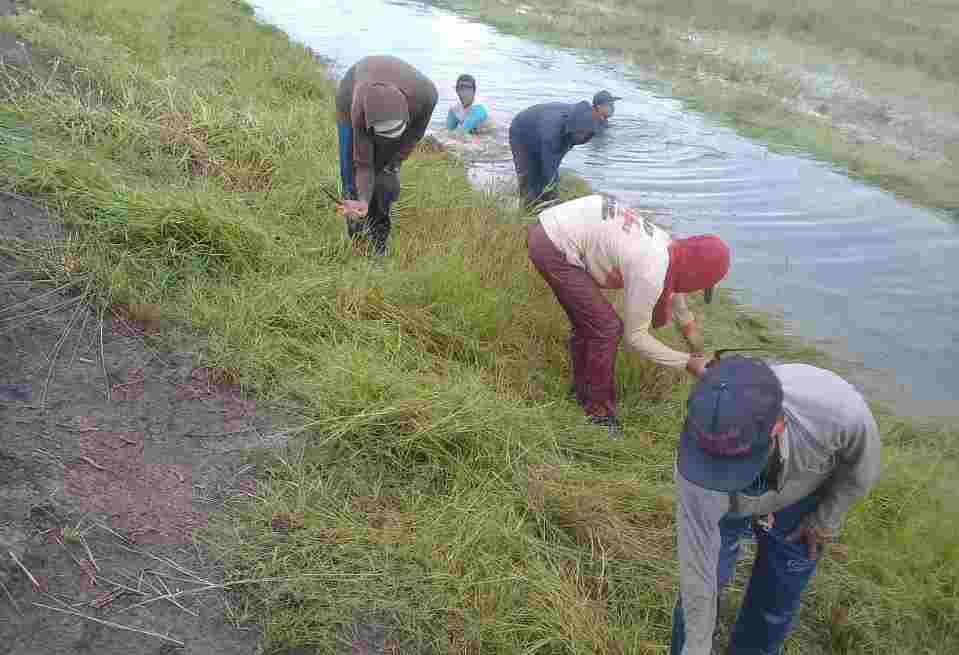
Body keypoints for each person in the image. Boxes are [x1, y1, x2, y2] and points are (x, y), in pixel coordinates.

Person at [671, 357, 881, 655]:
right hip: (721, 507)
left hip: (805, 491)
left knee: (775, 601)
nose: (726, 476)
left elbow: (861, 471)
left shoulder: (840, 412)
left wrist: (824, 520)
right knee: (704, 590)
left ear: (777, 427)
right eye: (717, 465)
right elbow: (698, 579)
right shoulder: (693, 470)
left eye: (736, 465)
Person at [526, 194, 730, 438]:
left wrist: (694, 340)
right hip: (554, 244)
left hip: (555, 224)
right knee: (607, 328)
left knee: (589, 324)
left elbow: (678, 298)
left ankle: (582, 391)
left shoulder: (670, 249)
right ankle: (599, 416)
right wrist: (687, 362)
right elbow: (636, 337)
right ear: (695, 275)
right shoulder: (651, 270)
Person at [335, 55, 438, 256]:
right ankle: (355, 234)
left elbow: (415, 135)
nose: (384, 143)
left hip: (398, 103)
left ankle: (379, 239)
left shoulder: (426, 96)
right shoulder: (357, 112)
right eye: (381, 138)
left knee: (385, 173)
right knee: (351, 171)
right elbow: (364, 165)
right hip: (351, 92)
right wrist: (363, 199)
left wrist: (393, 164)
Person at [508, 97, 607, 208]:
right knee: (529, 177)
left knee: (545, 177)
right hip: (521, 131)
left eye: (586, 134)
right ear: (574, 129)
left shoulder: (583, 121)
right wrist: (555, 198)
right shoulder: (552, 133)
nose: (583, 137)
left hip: (544, 127)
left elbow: (555, 161)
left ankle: (543, 205)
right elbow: (549, 166)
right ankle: (527, 211)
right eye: (581, 133)